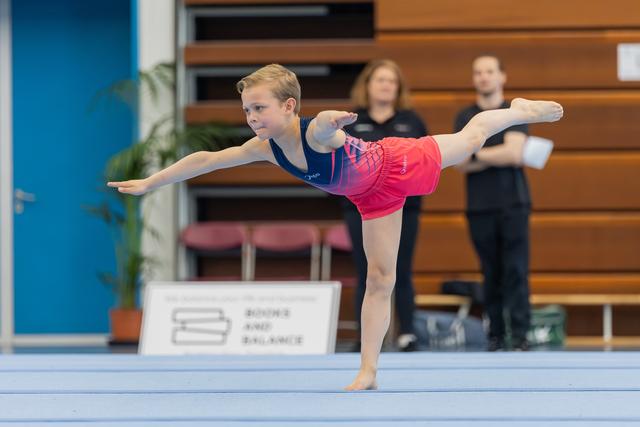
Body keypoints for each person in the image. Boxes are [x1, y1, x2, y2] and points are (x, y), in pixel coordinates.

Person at [109, 63, 563, 390]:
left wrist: (335, 121)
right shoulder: (266, 147)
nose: (252, 118)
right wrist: (152, 181)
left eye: (259, 109)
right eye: (247, 110)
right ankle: (368, 371)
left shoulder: (311, 132)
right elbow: (207, 160)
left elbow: (325, 126)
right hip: (369, 197)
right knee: (381, 280)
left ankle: (515, 110)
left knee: (469, 139)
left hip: (396, 162)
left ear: (290, 106)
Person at [342, 59, 428, 352]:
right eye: (380, 80)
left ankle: (408, 333)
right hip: (361, 209)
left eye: (391, 81)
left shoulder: (411, 121)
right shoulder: (352, 121)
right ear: (367, 85)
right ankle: (364, 337)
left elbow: (424, 161)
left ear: (398, 88)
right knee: (366, 270)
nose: (386, 85)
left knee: (401, 270)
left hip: (405, 208)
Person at [454, 55, 533, 351]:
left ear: (502, 76)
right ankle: (496, 335)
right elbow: (458, 162)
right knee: (490, 271)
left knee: (516, 270)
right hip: (479, 206)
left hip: (514, 204)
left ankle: (521, 334)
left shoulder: (515, 111)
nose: (483, 77)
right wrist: (490, 155)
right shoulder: (465, 117)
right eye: (478, 72)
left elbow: (514, 154)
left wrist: (476, 154)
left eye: (489, 71)